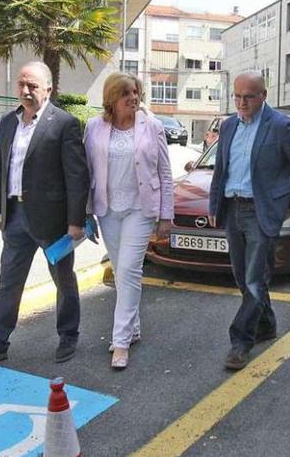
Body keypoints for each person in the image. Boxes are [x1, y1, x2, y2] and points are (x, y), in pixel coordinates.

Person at [0, 61, 90, 365]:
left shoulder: (64, 123)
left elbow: (76, 176)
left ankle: (68, 335)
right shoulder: (8, 123)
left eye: (32, 85)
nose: (26, 90)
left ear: (48, 88)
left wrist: (75, 220)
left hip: (53, 222)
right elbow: (1, 166)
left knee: (63, 280)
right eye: (21, 84)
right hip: (15, 217)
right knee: (8, 281)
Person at [209, 71, 290, 370]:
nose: (241, 102)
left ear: (263, 95)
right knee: (244, 278)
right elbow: (222, 169)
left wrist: (289, 205)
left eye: (249, 96)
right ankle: (266, 323)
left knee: (255, 279)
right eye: (237, 96)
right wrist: (215, 204)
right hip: (232, 209)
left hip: (261, 213)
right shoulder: (229, 125)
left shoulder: (281, 126)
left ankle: (240, 341)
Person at [84, 72, 174, 369]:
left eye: (136, 92)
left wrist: (166, 214)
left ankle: (120, 341)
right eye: (126, 94)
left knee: (127, 269)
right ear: (112, 99)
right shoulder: (94, 128)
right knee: (123, 274)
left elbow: (164, 173)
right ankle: (133, 328)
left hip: (140, 209)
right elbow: (87, 172)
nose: (133, 98)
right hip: (108, 210)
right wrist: (85, 212)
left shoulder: (153, 126)